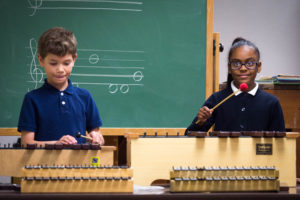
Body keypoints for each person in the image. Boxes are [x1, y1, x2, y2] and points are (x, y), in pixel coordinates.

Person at [18, 27, 105, 146]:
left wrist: (97, 138)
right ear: (41, 60)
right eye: (53, 63)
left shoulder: (85, 97)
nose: (60, 70)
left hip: (79, 164)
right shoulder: (32, 99)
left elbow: (96, 134)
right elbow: (26, 142)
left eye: (66, 63)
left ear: (74, 59)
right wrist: (57, 143)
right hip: (43, 164)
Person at [185, 37, 285, 134]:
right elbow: (188, 136)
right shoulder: (217, 99)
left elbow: (281, 143)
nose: (243, 68)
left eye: (249, 63)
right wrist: (200, 122)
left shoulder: (271, 103)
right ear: (229, 68)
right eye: (236, 63)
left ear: (258, 67)